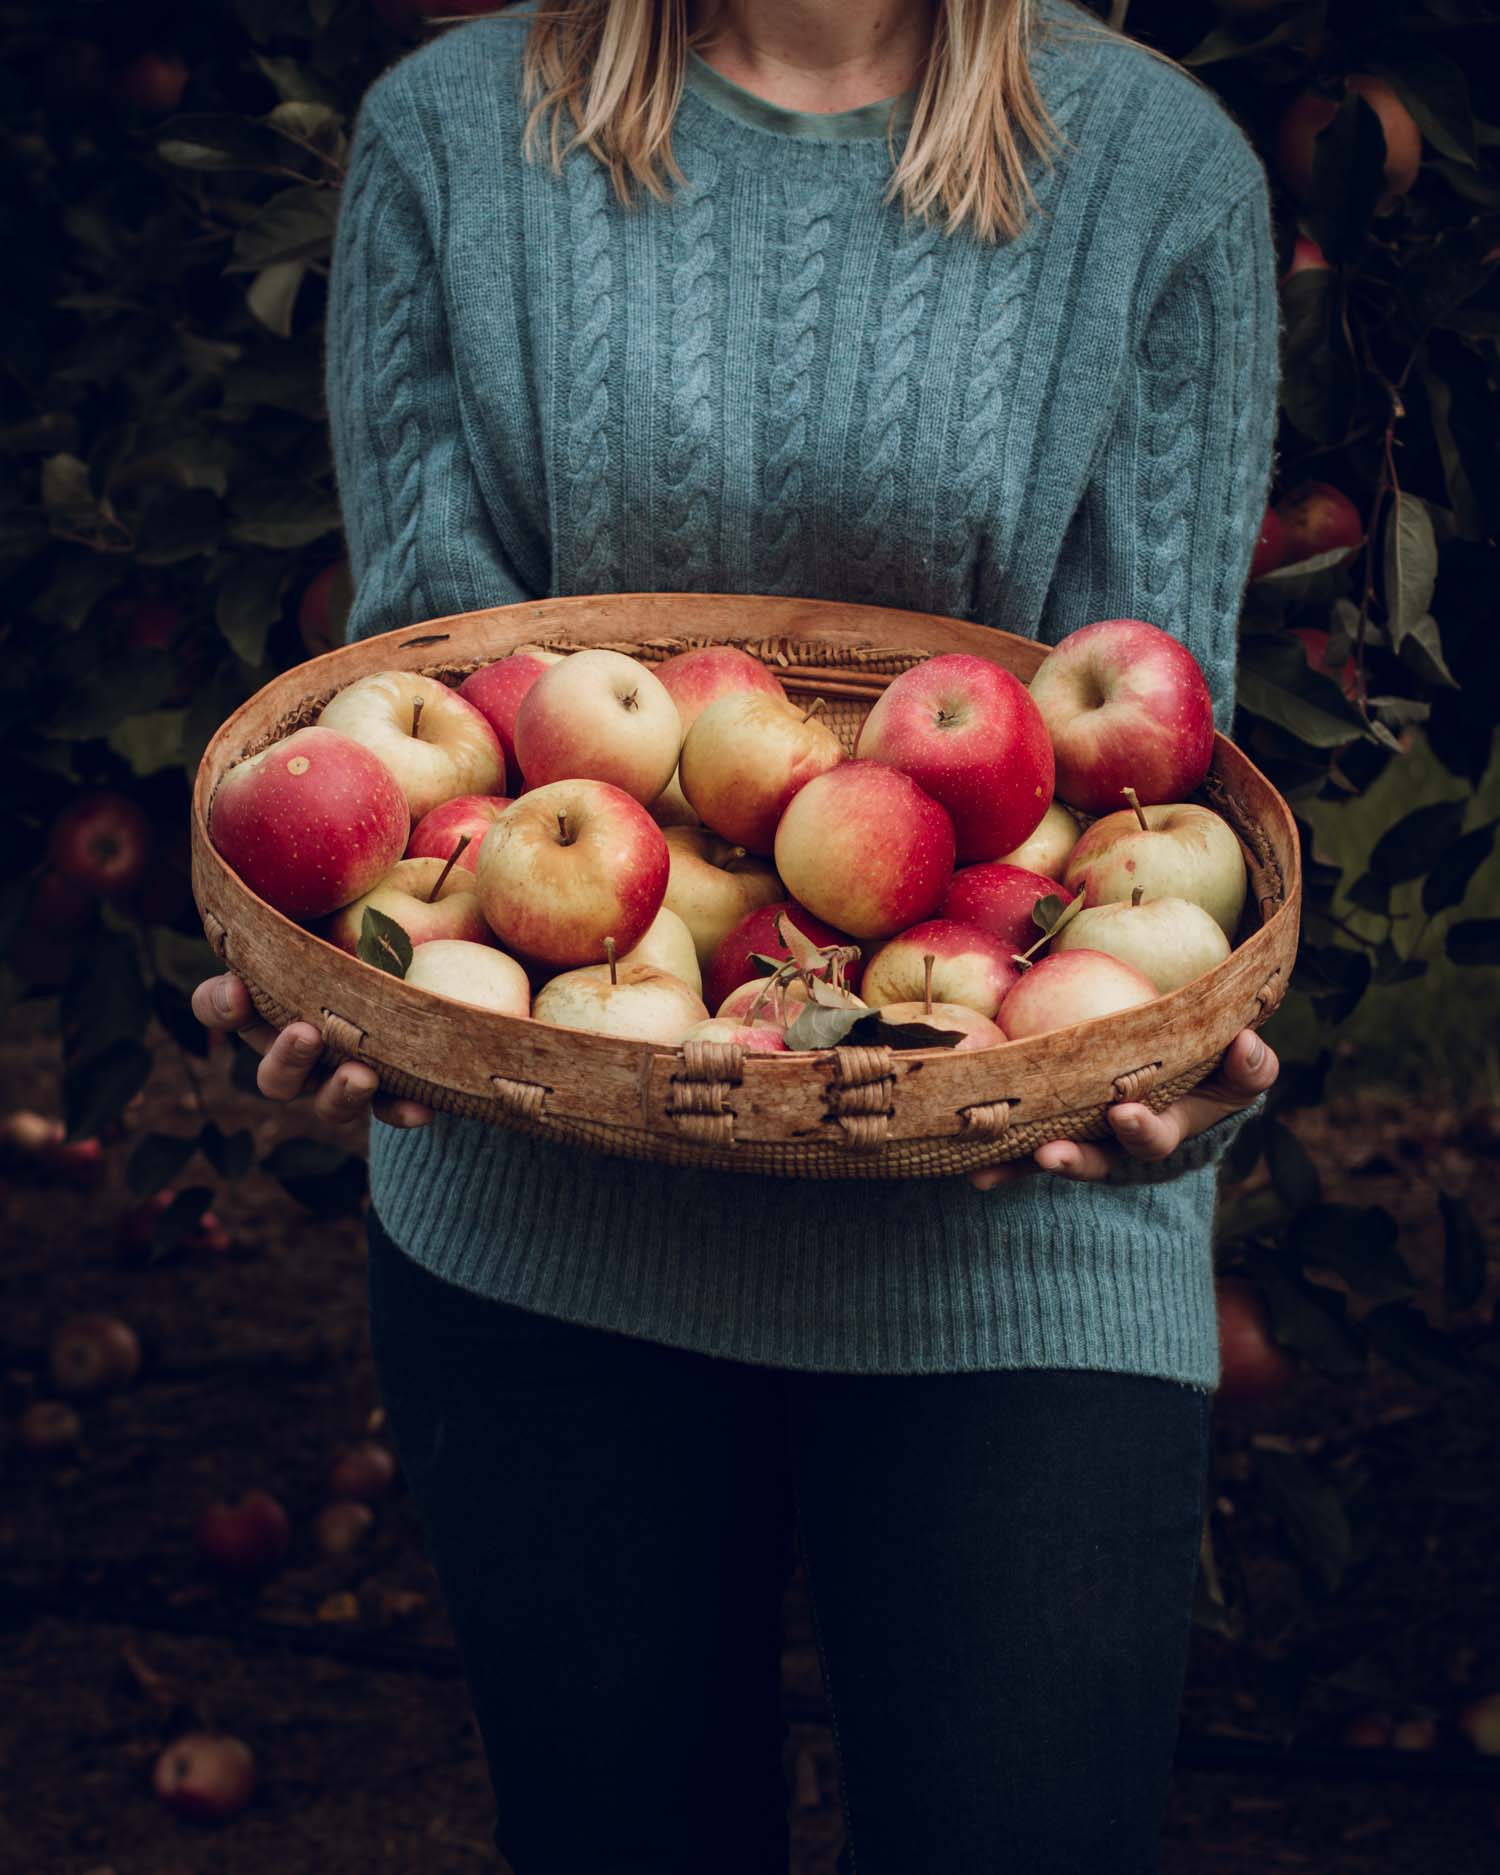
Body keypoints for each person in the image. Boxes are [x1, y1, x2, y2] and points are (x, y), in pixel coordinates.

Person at [193, 0, 1283, 1865]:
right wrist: (374, 982)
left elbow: (1146, 806)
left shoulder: (1158, 175)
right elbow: (440, 718)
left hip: (1003, 1215)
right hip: (552, 1204)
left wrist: (1161, 1069)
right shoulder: (457, 138)